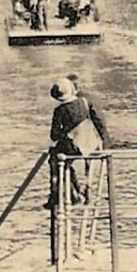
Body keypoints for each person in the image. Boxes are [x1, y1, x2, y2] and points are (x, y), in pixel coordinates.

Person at [47, 80, 103, 208]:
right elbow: (98, 122)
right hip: (91, 144)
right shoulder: (84, 102)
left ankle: (65, 193)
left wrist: (66, 134)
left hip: (74, 147)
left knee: (55, 158)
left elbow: (54, 135)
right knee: (69, 161)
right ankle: (86, 189)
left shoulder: (59, 110)